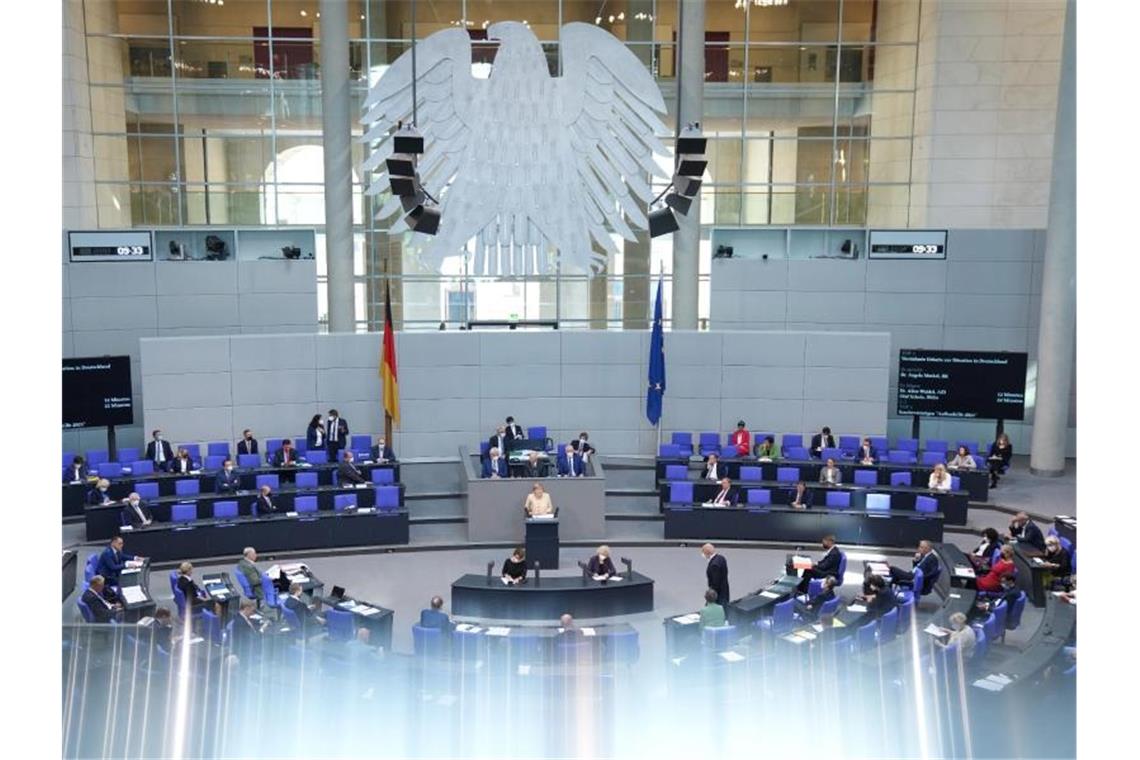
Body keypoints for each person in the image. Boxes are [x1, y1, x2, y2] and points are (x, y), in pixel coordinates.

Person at [702, 543, 730, 608]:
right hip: (725, 589)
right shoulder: (721, 558)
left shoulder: (714, 565)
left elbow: (715, 583)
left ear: (707, 553)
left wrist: (710, 597)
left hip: (718, 595)